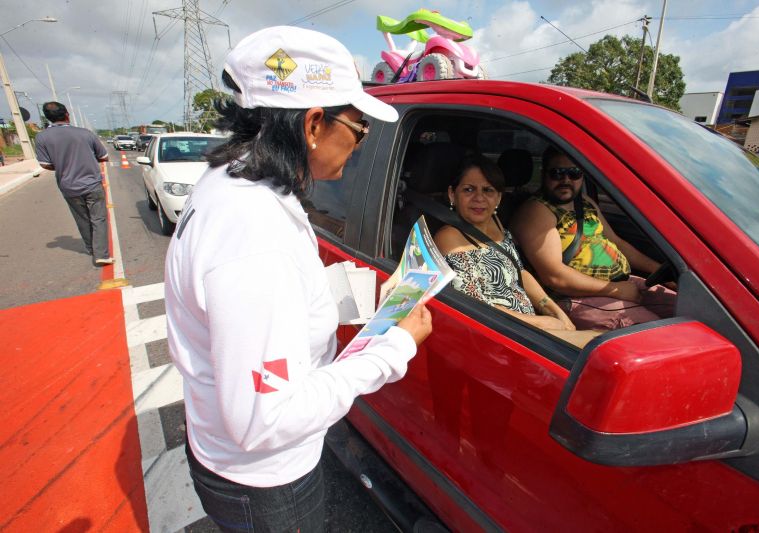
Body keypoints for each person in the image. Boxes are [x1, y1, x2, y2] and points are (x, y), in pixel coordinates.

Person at [164, 26, 432, 533]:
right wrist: (392, 348)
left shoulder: (239, 182)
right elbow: (264, 421)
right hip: (264, 486)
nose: (359, 145)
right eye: (359, 130)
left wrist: (365, 301)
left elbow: (280, 299)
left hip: (233, 462)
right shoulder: (254, 233)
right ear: (313, 125)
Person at [512, 146, 676, 331]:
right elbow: (554, 277)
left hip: (618, 283)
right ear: (544, 174)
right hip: (578, 297)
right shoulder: (537, 211)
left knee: (684, 309)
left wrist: (658, 271)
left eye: (574, 173)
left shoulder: (584, 203)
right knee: (659, 333)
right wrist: (616, 290)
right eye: (557, 173)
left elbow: (616, 242)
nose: (566, 180)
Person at [434, 155, 575, 331]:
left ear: (499, 198)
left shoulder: (495, 222)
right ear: (452, 194)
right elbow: (478, 308)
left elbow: (518, 271)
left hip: (528, 326)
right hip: (502, 334)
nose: (479, 198)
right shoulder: (449, 238)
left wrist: (552, 309)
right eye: (469, 190)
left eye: (488, 190)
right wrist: (542, 323)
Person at [35, 102, 113, 266]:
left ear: (47, 118)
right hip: (92, 183)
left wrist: (62, 164)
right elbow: (104, 156)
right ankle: (101, 254)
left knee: (82, 219)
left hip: (68, 185)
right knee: (98, 219)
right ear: (67, 115)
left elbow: (44, 163)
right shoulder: (85, 134)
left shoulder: (42, 137)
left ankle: (91, 249)